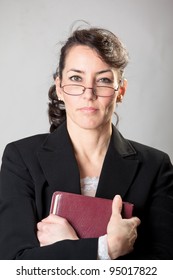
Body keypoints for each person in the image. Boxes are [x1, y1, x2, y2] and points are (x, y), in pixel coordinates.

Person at [0, 25, 173, 260]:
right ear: (59, 87)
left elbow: (162, 270)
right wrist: (106, 249)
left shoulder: (156, 166)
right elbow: (14, 265)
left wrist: (69, 246)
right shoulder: (20, 158)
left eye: (102, 79)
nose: (88, 93)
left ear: (120, 90)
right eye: (75, 78)